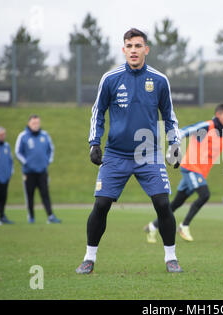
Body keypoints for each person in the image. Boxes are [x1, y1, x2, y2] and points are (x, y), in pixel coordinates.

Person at [76, 28, 182, 274]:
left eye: (138, 46)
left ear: (146, 49)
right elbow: (97, 112)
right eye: (129, 46)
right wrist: (94, 143)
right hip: (115, 153)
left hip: (149, 152)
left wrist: (175, 144)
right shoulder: (110, 78)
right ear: (123, 49)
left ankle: (171, 258)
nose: (133, 50)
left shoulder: (159, 80)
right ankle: (89, 258)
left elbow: (169, 117)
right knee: (101, 204)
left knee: (163, 203)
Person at [145, 104, 223, 243]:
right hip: (190, 167)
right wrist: (174, 145)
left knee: (176, 203)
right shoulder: (207, 126)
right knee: (205, 194)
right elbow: (184, 131)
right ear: (218, 115)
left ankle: (152, 226)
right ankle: (184, 225)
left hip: (200, 172)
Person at [15, 115, 61, 224]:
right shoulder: (23, 136)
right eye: (33, 123)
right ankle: (31, 216)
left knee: (45, 194)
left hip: (42, 171)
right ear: (29, 124)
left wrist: (47, 161)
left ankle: (50, 216)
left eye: (37, 123)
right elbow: (18, 152)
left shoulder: (45, 135)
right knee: (29, 195)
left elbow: (51, 149)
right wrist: (26, 163)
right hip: (28, 172)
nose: (36, 125)